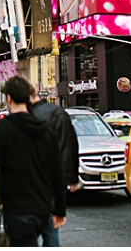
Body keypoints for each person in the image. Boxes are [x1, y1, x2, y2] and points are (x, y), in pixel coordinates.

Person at [0, 76, 66, 247]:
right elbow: (57, 171)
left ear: (8, 98)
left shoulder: (3, 129)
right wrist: (59, 208)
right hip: (43, 206)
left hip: (17, 206)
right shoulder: (46, 130)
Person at [30, 89, 81, 247]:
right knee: (51, 229)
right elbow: (72, 144)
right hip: (56, 177)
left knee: (28, 231)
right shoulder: (59, 112)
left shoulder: (28, 116)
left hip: (33, 178)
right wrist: (73, 177)